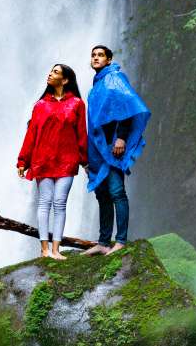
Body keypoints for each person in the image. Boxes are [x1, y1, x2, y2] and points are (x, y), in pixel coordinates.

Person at [83, 44, 150, 254]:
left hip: (112, 146)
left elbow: (125, 108)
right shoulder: (98, 84)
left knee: (116, 192)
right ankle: (103, 243)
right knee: (102, 194)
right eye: (93, 55)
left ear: (109, 59)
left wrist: (121, 137)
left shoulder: (114, 78)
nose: (96, 58)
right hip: (98, 148)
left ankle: (120, 241)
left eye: (100, 55)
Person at [17, 63, 87, 259]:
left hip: (67, 160)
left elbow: (82, 134)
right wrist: (23, 161)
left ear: (65, 80)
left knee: (60, 203)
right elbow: (31, 134)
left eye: (55, 72)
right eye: (50, 71)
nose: (50, 74)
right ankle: (45, 249)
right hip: (43, 160)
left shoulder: (77, 104)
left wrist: (85, 161)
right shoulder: (40, 105)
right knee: (44, 202)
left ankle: (56, 249)